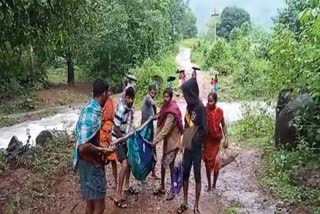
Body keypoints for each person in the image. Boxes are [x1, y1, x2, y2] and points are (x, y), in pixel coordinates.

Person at [73, 79, 112, 214]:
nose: (109, 95)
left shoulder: (88, 108)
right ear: (104, 93)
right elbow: (83, 146)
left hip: (84, 163)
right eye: (108, 92)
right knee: (100, 206)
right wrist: (102, 150)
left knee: (90, 203)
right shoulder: (94, 112)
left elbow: (86, 138)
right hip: (91, 164)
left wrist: (101, 148)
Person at [178, 78, 208, 214]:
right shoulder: (189, 107)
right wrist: (183, 140)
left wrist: (195, 139)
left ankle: (196, 205)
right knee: (185, 173)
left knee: (197, 175)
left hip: (196, 148)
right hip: (188, 147)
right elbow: (186, 124)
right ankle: (185, 202)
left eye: (185, 94)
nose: (184, 97)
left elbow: (204, 129)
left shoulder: (200, 108)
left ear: (191, 92)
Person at [152, 88, 183, 201]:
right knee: (164, 165)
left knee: (170, 166)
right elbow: (161, 115)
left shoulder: (172, 111)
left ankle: (172, 189)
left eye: (167, 97)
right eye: (164, 96)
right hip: (168, 142)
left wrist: (154, 141)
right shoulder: (167, 107)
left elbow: (165, 130)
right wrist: (154, 116)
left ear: (171, 97)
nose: (165, 99)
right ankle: (163, 187)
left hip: (173, 142)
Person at [112, 86, 137, 208]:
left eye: (132, 98)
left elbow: (130, 123)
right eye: (129, 98)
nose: (130, 100)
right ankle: (117, 195)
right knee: (125, 165)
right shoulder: (121, 108)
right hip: (118, 140)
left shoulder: (132, 108)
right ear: (125, 97)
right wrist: (124, 138)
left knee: (130, 162)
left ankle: (127, 187)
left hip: (127, 138)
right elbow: (115, 128)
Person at [203, 92, 228, 192]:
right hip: (207, 141)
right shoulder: (204, 111)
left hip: (217, 141)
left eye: (211, 101)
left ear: (215, 101)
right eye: (208, 101)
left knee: (217, 163)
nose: (209, 103)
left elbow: (223, 124)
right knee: (208, 165)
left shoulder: (220, 112)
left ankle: (214, 185)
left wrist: (226, 137)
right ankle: (209, 185)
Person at [100, 90, 118, 190]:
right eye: (108, 91)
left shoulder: (111, 101)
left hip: (110, 132)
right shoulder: (101, 103)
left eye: (111, 91)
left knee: (113, 159)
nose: (109, 93)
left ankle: (116, 182)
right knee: (102, 158)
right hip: (102, 132)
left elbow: (113, 116)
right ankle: (103, 182)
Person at [141, 84, 158, 178]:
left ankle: (153, 171)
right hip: (145, 126)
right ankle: (144, 171)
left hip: (149, 126)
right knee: (146, 147)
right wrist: (155, 113)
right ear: (149, 92)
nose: (153, 94)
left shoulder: (150, 98)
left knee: (152, 146)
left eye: (154, 93)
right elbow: (154, 104)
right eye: (152, 92)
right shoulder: (147, 97)